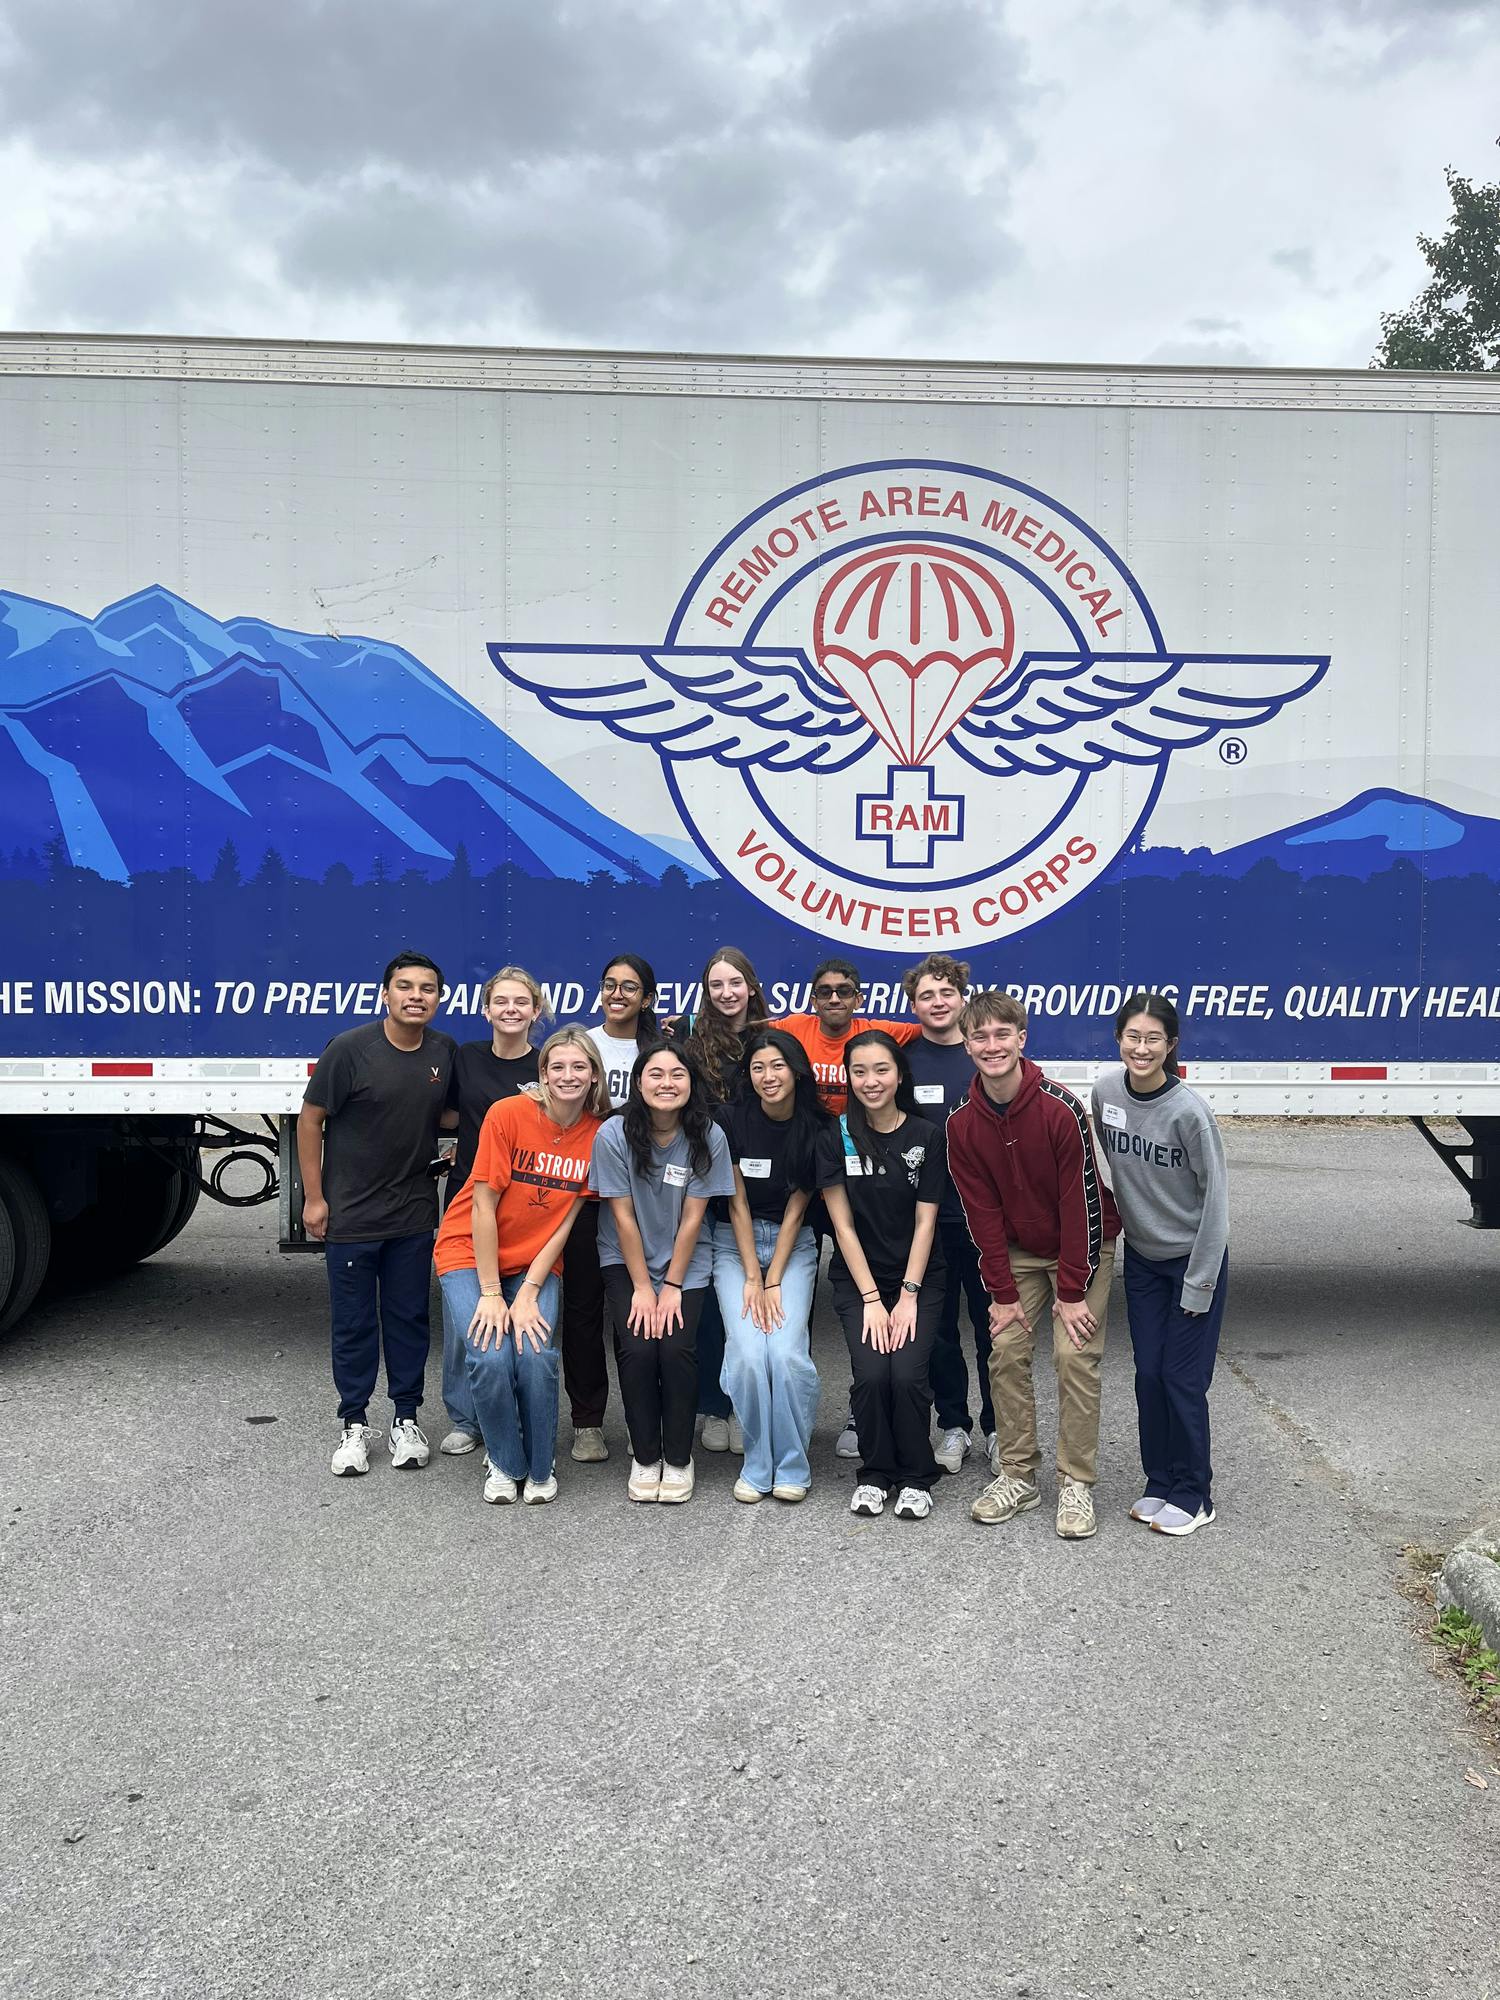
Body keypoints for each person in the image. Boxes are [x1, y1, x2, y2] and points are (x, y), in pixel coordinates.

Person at [946, 993, 1121, 1541]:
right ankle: (1019, 1475)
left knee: (1075, 1355)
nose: (992, 1046)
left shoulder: (1060, 1108)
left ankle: (1076, 1482)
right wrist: (1002, 1293)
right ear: (967, 1045)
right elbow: (983, 1218)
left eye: (1003, 1035)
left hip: (1082, 1245)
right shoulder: (962, 1124)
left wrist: (1072, 1292)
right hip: (1020, 1251)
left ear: (1022, 1038)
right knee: (1005, 1349)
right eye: (981, 1037)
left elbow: (1083, 1205)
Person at [432, 1028, 608, 1505]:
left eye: (578, 1067)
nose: (568, 1076)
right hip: (470, 1253)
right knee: (489, 1354)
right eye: (558, 1067)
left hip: (535, 1262)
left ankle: (540, 1463)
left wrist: (528, 1289)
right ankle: (507, 1462)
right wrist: (492, 1293)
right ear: (543, 1074)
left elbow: (567, 1219)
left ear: (594, 1074)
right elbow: (482, 1206)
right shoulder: (507, 1114)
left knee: (535, 1353)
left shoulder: (597, 1134)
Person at [298, 951, 457, 1477]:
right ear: (385, 993)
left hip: (412, 1215)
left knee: (409, 1319)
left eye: (428, 988)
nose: (417, 996)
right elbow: (310, 1120)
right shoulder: (349, 1050)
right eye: (405, 986)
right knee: (354, 1324)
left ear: (440, 997)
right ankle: (353, 1424)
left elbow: (451, 1112)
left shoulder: (442, 1051)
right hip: (351, 1218)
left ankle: (406, 1420)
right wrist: (315, 1199)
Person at [1091, 993, 1229, 1538]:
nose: (1141, 1048)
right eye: (1132, 1037)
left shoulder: (1190, 1115)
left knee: (1182, 1378)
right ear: (1118, 1039)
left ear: (1171, 1046)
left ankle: (1196, 1493)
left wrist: (1199, 1283)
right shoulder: (1104, 1093)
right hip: (1144, 1262)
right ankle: (1160, 1481)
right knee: (1148, 1374)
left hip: (1194, 1262)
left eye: (1154, 1039)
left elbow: (1216, 1206)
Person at [777, 957, 922, 1459]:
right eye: (824, 992)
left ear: (859, 998)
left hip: (859, 1172)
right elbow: (748, 1027)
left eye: (844, 991)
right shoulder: (793, 1028)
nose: (834, 999)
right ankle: (792, 1398)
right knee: (801, 1295)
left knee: (863, 1262)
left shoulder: (884, 1033)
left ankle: (866, 1412)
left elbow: (937, 1022)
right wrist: (684, 1023)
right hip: (812, 1167)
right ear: (811, 998)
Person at [589, 1043, 734, 1504]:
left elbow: (694, 1218)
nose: (666, 1083)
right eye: (655, 1074)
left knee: (674, 1349)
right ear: (637, 1082)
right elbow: (623, 1215)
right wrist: (641, 1288)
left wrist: (670, 1285)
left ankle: (678, 1457)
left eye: (677, 1075)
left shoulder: (708, 1135)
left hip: (684, 1263)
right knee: (636, 1349)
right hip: (624, 1259)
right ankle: (645, 1455)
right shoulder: (613, 1133)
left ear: (692, 1085)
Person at [817, 1030, 946, 1521]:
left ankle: (916, 1476)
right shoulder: (835, 1135)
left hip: (919, 1279)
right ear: (848, 1077)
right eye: (859, 1071)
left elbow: (926, 1220)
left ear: (899, 1075)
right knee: (872, 1375)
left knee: (907, 1376)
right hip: (859, 1281)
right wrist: (873, 1299)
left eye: (881, 1070)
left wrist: (907, 1295)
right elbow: (842, 1226)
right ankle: (875, 1474)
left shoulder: (927, 1136)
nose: (871, 1081)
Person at [711, 1029, 829, 1503]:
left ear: (797, 1070)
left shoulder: (818, 1126)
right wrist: (753, 1278)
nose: (767, 1076)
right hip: (732, 1245)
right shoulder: (729, 1118)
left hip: (793, 1246)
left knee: (785, 1354)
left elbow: (799, 1207)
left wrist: (774, 1278)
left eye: (777, 1066)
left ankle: (793, 1463)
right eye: (758, 1067)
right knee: (745, 1355)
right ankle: (758, 1460)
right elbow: (736, 1203)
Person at [438, 965, 550, 1459]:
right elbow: (444, 1112)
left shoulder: (548, 1066)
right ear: (486, 1010)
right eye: (501, 1001)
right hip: (469, 1196)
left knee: (520, 1318)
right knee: (465, 1322)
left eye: (521, 1002)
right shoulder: (465, 1058)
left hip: (528, 1205)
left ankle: (514, 1416)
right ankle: (465, 1418)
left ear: (535, 1011)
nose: (511, 1009)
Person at [666, 947, 771, 1457]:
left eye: (736, 983)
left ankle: (755, 1401)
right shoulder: (689, 1040)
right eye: (716, 985)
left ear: (751, 985)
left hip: (762, 1182)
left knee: (757, 1300)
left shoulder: (772, 1038)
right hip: (704, 1178)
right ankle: (714, 1404)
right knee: (706, 1301)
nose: (726, 993)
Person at [561, 952, 660, 1467]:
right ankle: (587, 1421)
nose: (617, 994)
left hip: (642, 1200)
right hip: (583, 1198)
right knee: (581, 1314)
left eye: (629, 987)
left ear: (647, 997)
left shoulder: (661, 1049)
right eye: (609, 985)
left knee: (634, 1315)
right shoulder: (581, 1046)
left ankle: (646, 1418)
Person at [903, 954, 994, 1477]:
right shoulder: (905, 1058)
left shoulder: (985, 1053)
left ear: (963, 996)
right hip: (928, 1223)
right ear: (913, 1006)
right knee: (937, 1334)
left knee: (992, 1330)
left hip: (984, 1223)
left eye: (946, 993)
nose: (937, 1003)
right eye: (926, 997)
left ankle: (999, 1429)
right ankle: (953, 1425)